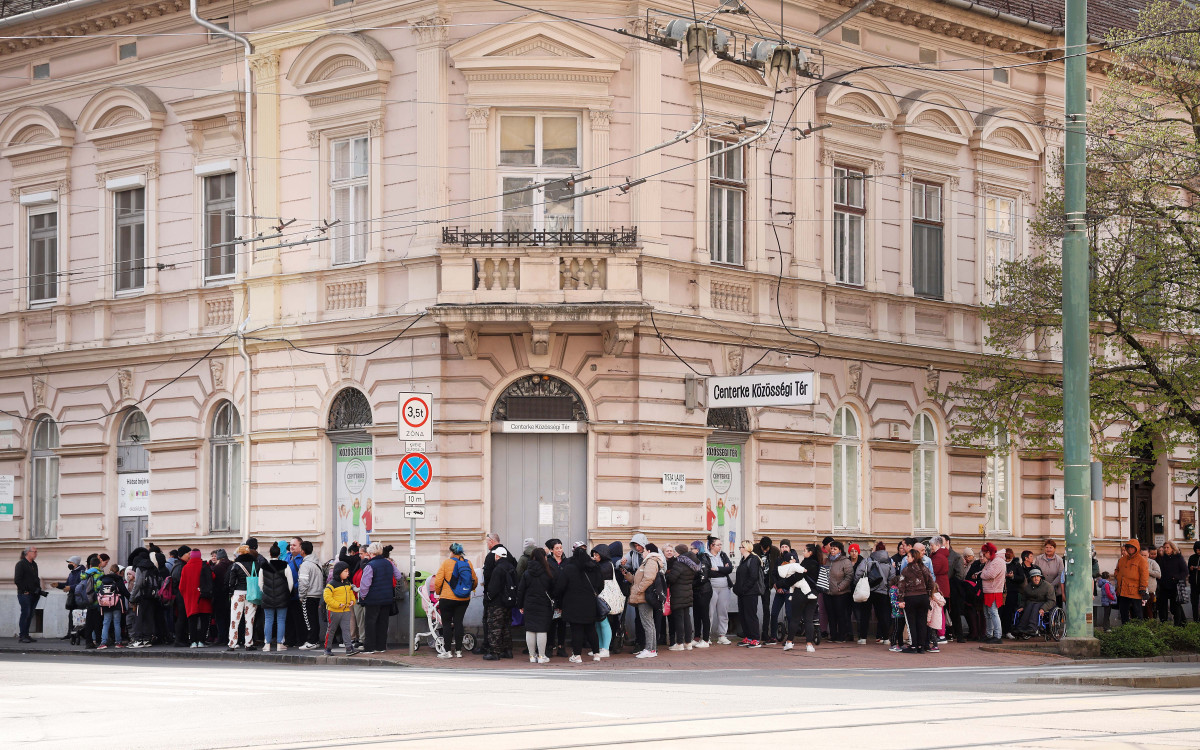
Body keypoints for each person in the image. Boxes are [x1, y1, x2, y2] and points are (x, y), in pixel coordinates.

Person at [555, 543, 601, 663]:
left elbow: (560, 587)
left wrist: (559, 602)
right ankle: (596, 654)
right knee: (591, 629)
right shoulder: (594, 567)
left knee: (577, 630)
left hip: (573, 603)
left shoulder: (569, 568)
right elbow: (600, 585)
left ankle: (577, 656)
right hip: (590, 603)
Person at [432, 542, 476, 658]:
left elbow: (438, 581)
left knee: (446, 624)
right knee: (458, 622)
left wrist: (438, 593)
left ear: (451, 552)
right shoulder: (468, 563)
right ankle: (459, 651)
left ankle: (447, 651)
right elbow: (474, 580)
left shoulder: (446, 563)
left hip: (447, 598)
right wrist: (468, 590)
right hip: (464, 599)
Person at [779, 543, 821, 652]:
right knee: (809, 619)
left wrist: (784, 583)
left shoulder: (806, 563)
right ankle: (809, 644)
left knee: (795, 618)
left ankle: (789, 642)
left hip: (800, 593)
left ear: (810, 552)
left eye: (804, 551)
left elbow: (797, 577)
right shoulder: (817, 563)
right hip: (813, 594)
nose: (803, 552)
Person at [358, 541, 398, 655]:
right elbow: (398, 576)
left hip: (373, 599)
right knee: (383, 623)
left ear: (370, 553)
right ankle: (381, 646)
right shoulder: (389, 563)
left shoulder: (370, 565)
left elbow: (365, 584)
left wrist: (363, 597)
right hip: (386, 598)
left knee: (370, 623)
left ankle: (369, 647)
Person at [517, 547, 555, 663]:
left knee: (530, 630)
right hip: (544, 604)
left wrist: (520, 605)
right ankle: (541, 656)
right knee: (542, 630)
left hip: (529, 604)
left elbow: (521, 590)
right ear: (544, 557)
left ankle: (532, 656)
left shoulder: (527, 572)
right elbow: (554, 589)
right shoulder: (549, 572)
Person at [627, 539, 663, 659]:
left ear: (648, 551)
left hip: (644, 597)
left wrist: (638, 590)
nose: (641, 553)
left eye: (644, 551)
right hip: (644, 596)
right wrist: (627, 576)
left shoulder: (651, 561)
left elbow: (648, 579)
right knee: (650, 624)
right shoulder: (647, 562)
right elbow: (639, 579)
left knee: (647, 624)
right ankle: (652, 649)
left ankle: (649, 649)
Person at [898, 547, 935, 654]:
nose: (906, 558)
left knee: (912, 623)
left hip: (911, 598)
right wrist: (928, 593)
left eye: (908, 556)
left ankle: (913, 646)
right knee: (922, 623)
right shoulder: (924, 568)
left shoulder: (906, 570)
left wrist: (901, 599)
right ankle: (921, 647)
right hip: (923, 598)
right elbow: (931, 583)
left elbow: (901, 585)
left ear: (913, 558)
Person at [482, 546, 517, 661]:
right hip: (508, 602)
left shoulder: (498, 569)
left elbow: (493, 588)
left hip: (497, 603)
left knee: (494, 627)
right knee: (506, 626)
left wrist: (487, 598)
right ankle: (507, 651)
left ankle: (495, 652)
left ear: (497, 556)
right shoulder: (511, 567)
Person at [259, 543, 294, 652]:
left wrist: (265, 592)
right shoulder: (286, 565)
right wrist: (286, 592)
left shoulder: (263, 567)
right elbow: (291, 583)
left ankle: (267, 644)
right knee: (281, 620)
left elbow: (260, 584)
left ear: (270, 554)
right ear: (279, 554)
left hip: (267, 597)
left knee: (268, 620)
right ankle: (280, 644)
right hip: (282, 597)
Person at [665, 544, 699, 650]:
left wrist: (666, 575)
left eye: (675, 551)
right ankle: (688, 643)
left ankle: (679, 643)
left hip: (678, 594)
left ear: (679, 552)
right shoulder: (692, 563)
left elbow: (672, 579)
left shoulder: (679, 563)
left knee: (679, 619)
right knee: (687, 618)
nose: (674, 553)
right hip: (688, 592)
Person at [179, 549, 214, 649]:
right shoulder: (205, 566)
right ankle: (202, 641)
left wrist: (186, 596)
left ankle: (193, 642)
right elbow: (213, 577)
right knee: (204, 621)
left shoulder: (186, 567)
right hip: (204, 598)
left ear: (191, 556)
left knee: (192, 621)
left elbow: (181, 586)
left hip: (191, 599)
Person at [323, 561, 359, 656]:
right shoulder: (331, 584)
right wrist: (337, 604)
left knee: (346, 630)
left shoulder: (347, 583)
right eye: (345, 571)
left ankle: (349, 648)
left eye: (348, 571)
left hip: (346, 610)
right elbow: (327, 597)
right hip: (333, 611)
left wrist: (352, 601)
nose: (348, 573)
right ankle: (327, 648)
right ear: (339, 572)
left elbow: (351, 594)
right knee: (331, 630)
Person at [226, 545, 258, 650]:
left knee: (235, 619)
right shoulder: (255, 563)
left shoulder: (236, 565)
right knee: (250, 619)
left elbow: (231, 582)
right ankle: (248, 643)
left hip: (238, 593)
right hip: (251, 593)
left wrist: (231, 593)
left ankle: (232, 643)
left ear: (240, 553)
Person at [733, 539, 764, 647]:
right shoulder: (743, 560)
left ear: (746, 548)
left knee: (751, 615)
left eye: (741, 547)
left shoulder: (753, 559)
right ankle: (748, 637)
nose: (739, 549)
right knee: (743, 615)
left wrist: (744, 589)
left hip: (750, 593)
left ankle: (755, 638)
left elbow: (753, 577)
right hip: (742, 593)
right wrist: (737, 588)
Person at [703, 537, 734, 645]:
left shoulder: (723, 555)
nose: (720, 547)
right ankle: (707, 636)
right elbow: (708, 572)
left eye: (720, 544)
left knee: (723, 612)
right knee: (710, 612)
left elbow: (730, 569)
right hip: (712, 587)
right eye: (718, 545)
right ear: (711, 546)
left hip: (725, 587)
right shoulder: (706, 556)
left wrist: (717, 568)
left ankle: (722, 635)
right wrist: (723, 569)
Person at [591, 544, 618, 657]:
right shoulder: (601, 564)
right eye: (594, 554)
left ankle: (605, 648)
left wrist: (592, 564)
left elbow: (598, 576)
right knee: (598, 623)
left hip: (604, 597)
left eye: (597, 554)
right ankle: (600, 647)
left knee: (603, 622)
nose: (595, 557)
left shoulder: (606, 565)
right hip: (599, 596)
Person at [296, 541, 324, 649]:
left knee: (308, 619)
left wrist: (301, 596)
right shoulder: (317, 563)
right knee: (314, 619)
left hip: (309, 595)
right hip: (317, 594)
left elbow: (303, 582)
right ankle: (315, 640)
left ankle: (312, 641)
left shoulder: (306, 565)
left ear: (303, 551)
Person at [1013, 567, 1055, 638]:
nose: (1036, 578)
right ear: (1031, 578)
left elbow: (1051, 601)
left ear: (1040, 577)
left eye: (1038, 576)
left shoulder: (1048, 587)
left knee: (1035, 605)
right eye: (1034, 577)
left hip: (1044, 603)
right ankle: (1021, 627)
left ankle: (1032, 628)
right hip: (1031, 604)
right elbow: (1024, 599)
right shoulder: (1027, 587)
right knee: (1029, 605)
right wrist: (1022, 606)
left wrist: (1043, 608)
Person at [1115, 539, 1149, 624]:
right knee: (1123, 612)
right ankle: (1125, 630)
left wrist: (1143, 587)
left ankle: (1139, 631)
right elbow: (1117, 570)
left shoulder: (1141, 560)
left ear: (1136, 548)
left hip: (1135, 590)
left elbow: (1144, 575)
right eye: (1128, 547)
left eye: (1132, 548)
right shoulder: (1122, 560)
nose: (1130, 549)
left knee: (1137, 612)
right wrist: (1118, 577)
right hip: (1123, 590)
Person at [96, 563, 130, 649]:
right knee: (117, 623)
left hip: (105, 604)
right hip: (116, 604)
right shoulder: (118, 579)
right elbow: (124, 591)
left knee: (106, 623)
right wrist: (131, 599)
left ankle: (103, 643)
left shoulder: (104, 579)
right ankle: (118, 642)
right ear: (118, 572)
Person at [752, 537, 779, 645]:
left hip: (767, 584)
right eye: (763, 549)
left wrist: (773, 582)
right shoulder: (754, 549)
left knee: (766, 608)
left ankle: (765, 632)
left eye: (766, 549)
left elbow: (777, 567)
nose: (765, 551)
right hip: (755, 582)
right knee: (752, 607)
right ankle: (752, 633)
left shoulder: (775, 551)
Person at [825, 541, 853, 643]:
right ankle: (833, 635)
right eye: (831, 548)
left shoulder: (845, 561)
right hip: (828, 592)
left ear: (840, 550)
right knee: (831, 615)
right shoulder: (828, 560)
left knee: (841, 615)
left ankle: (842, 636)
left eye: (835, 549)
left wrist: (840, 587)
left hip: (841, 593)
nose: (832, 550)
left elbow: (849, 576)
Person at [866, 543, 894, 643]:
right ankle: (886, 638)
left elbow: (860, 573)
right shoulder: (889, 561)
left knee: (865, 614)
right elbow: (892, 578)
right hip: (883, 592)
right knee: (883, 615)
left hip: (869, 590)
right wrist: (887, 587)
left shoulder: (869, 560)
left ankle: (863, 638)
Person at [979, 543, 1005, 644]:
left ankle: (997, 636)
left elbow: (990, 574)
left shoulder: (997, 561)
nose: (984, 556)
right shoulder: (992, 561)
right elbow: (985, 572)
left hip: (994, 590)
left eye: (984, 554)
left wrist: (982, 574)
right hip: (989, 590)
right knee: (987, 614)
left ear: (989, 552)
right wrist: (983, 572)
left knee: (993, 613)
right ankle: (989, 634)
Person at [52, 555, 83, 642]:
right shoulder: (72, 573)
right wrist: (58, 585)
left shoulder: (82, 572)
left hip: (79, 598)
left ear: (75, 563)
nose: (69, 564)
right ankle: (70, 634)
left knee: (77, 617)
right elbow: (67, 584)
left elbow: (81, 585)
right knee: (71, 616)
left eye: (70, 563)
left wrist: (71, 588)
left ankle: (77, 635)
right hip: (72, 598)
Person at [14, 546, 41, 644]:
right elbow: (17, 580)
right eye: (34, 551)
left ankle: (26, 634)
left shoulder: (34, 564)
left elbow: (35, 578)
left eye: (36, 552)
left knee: (30, 614)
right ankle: (22, 635)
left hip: (34, 594)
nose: (36, 553)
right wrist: (24, 590)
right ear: (28, 553)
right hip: (24, 594)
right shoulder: (21, 564)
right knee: (25, 613)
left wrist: (39, 590)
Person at [546, 538, 569, 657]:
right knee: (551, 624)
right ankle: (550, 646)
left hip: (564, 597)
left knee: (562, 624)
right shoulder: (548, 562)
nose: (559, 550)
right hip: (552, 597)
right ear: (551, 550)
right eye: (557, 548)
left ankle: (561, 646)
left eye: (561, 547)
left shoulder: (567, 562)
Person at [689, 540, 713, 649]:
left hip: (704, 591)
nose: (691, 550)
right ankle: (697, 637)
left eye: (692, 548)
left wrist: (691, 584)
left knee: (704, 615)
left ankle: (706, 639)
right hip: (697, 590)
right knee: (696, 614)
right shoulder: (697, 559)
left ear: (697, 549)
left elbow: (703, 577)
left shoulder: (703, 559)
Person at [1158, 541, 1187, 626]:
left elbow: (1185, 571)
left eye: (1168, 547)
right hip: (1164, 586)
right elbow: (1161, 571)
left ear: (1172, 548)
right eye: (1165, 547)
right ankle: (1164, 623)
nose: (1166, 549)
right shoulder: (1163, 558)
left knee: (1175, 607)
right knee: (1162, 606)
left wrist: (1176, 577)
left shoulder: (1178, 558)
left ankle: (1178, 624)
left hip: (1175, 586)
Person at [928, 536, 951, 643]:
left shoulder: (939, 557)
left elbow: (933, 570)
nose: (930, 548)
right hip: (941, 586)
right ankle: (940, 634)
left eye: (932, 545)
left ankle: (941, 635)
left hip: (939, 586)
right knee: (940, 612)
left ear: (937, 545)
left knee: (939, 612)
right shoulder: (939, 555)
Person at [847, 543, 871, 644]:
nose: (854, 553)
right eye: (852, 551)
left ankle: (861, 635)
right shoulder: (846, 561)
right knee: (847, 613)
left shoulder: (862, 562)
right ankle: (849, 634)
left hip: (859, 590)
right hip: (848, 590)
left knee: (858, 614)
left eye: (856, 551)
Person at [1001, 549, 1026, 638]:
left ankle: (1008, 630)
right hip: (1000, 591)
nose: (1007, 560)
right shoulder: (1000, 563)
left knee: (1009, 612)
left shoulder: (1016, 564)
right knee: (1000, 611)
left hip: (1012, 591)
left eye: (1008, 558)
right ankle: (1000, 630)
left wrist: (1012, 577)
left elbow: (1021, 578)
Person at [209, 549, 231, 645]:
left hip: (219, 596)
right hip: (230, 595)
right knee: (228, 618)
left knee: (220, 618)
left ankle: (222, 637)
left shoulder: (217, 568)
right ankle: (229, 637)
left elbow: (213, 582)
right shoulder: (232, 565)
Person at [960, 548, 983, 640]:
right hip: (968, 592)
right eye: (965, 556)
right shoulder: (967, 565)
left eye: (969, 556)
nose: (967, 558)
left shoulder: (975, 564)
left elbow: (970, 577)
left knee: (977, 613)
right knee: (969, 612)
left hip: (975, 592)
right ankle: (973, 632)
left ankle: (977, 633)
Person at [1034, 540, 1065, 607]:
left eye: (1050, 547)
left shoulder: (1059, 560)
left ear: (1054, 549)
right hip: (1041, 589)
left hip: (1056, 590)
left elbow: (1060, 575)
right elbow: (1036, 573)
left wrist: (1051, 586)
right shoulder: (1038, 559)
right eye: (1047, 547)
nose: (1048, 549)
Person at [1189, 542, 1200, 623]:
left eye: (1199, 550)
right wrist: (1191, 568)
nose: (1198, 551)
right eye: (1196, 550)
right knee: (1194, 602)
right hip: (1194, 584)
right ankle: (1195, 619)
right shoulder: (1192, 557)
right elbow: (1188, 568)